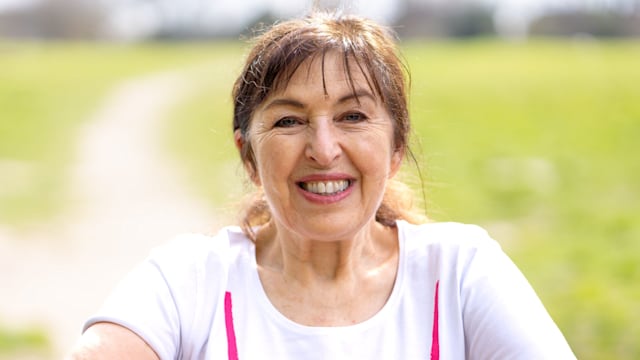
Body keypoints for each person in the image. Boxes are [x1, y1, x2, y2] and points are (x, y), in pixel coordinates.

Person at [67, 12, 576, 359]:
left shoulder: (460, 271)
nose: (324, 149)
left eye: (352, 116)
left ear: (396, 149)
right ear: (248, 155)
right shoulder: (191, 280)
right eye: (289, 122)